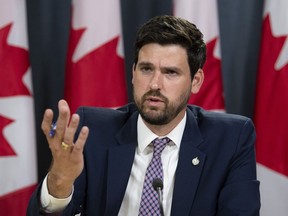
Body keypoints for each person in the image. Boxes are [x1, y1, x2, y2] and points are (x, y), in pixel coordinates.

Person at [27, 15, 260, 215]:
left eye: (170, 72)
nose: (155, 84)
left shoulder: (230, 139)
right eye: (146, 69)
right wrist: (60, 182)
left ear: (196, 81)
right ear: (133, 73)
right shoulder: (92, 131)